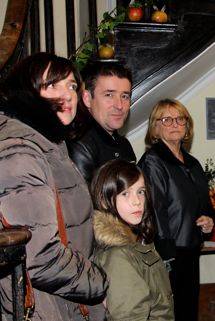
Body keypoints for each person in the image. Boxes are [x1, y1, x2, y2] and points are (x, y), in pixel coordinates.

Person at [0, 52, 108, 320]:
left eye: (72, 85)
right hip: (47, 308)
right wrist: (99, 283)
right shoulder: (20, 150)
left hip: (63, 301)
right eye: (53, 85)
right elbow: (40, 258)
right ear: (27, 89)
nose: (68, 94)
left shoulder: (46, 144)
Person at [138, 98, 215, 321]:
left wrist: (209, 219)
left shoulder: (192, 163)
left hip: (190, 249)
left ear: (187, 125)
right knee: (168, 313)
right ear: (155, 127)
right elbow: (155, 210)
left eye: (180, 119)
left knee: (188, 311)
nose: (175, 124)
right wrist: (167, 256)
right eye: (167, 119)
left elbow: (205, 204)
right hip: (168, 255)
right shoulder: (153, 161)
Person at [90, 159, 175, 321]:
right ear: (104, 201)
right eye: (125, 193)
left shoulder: (138, 239)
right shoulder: (117, 255)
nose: (137, 201)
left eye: (141, 191)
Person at [68, 62, 136, 184]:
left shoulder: (124, 145)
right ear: (87, 99)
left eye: (125, 96)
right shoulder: (80, 144)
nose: (119, 105)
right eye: (109, 95)